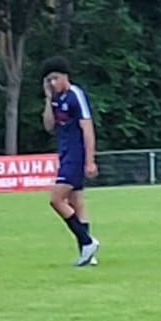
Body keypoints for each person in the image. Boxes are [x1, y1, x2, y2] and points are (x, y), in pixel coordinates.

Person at [41, 60, 98, 265]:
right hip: (65, 153)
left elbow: (88, 129)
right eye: (49, 80)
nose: (53, 83)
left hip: (76, 155)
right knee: (76, 203)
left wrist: (90, 160)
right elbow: (49, 125)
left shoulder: (76, 95)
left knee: (56, 200)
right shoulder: (56, 98)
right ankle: (87, 254)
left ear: (65, 76)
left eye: (55, 78)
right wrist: (48, 99)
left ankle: (87, 241)